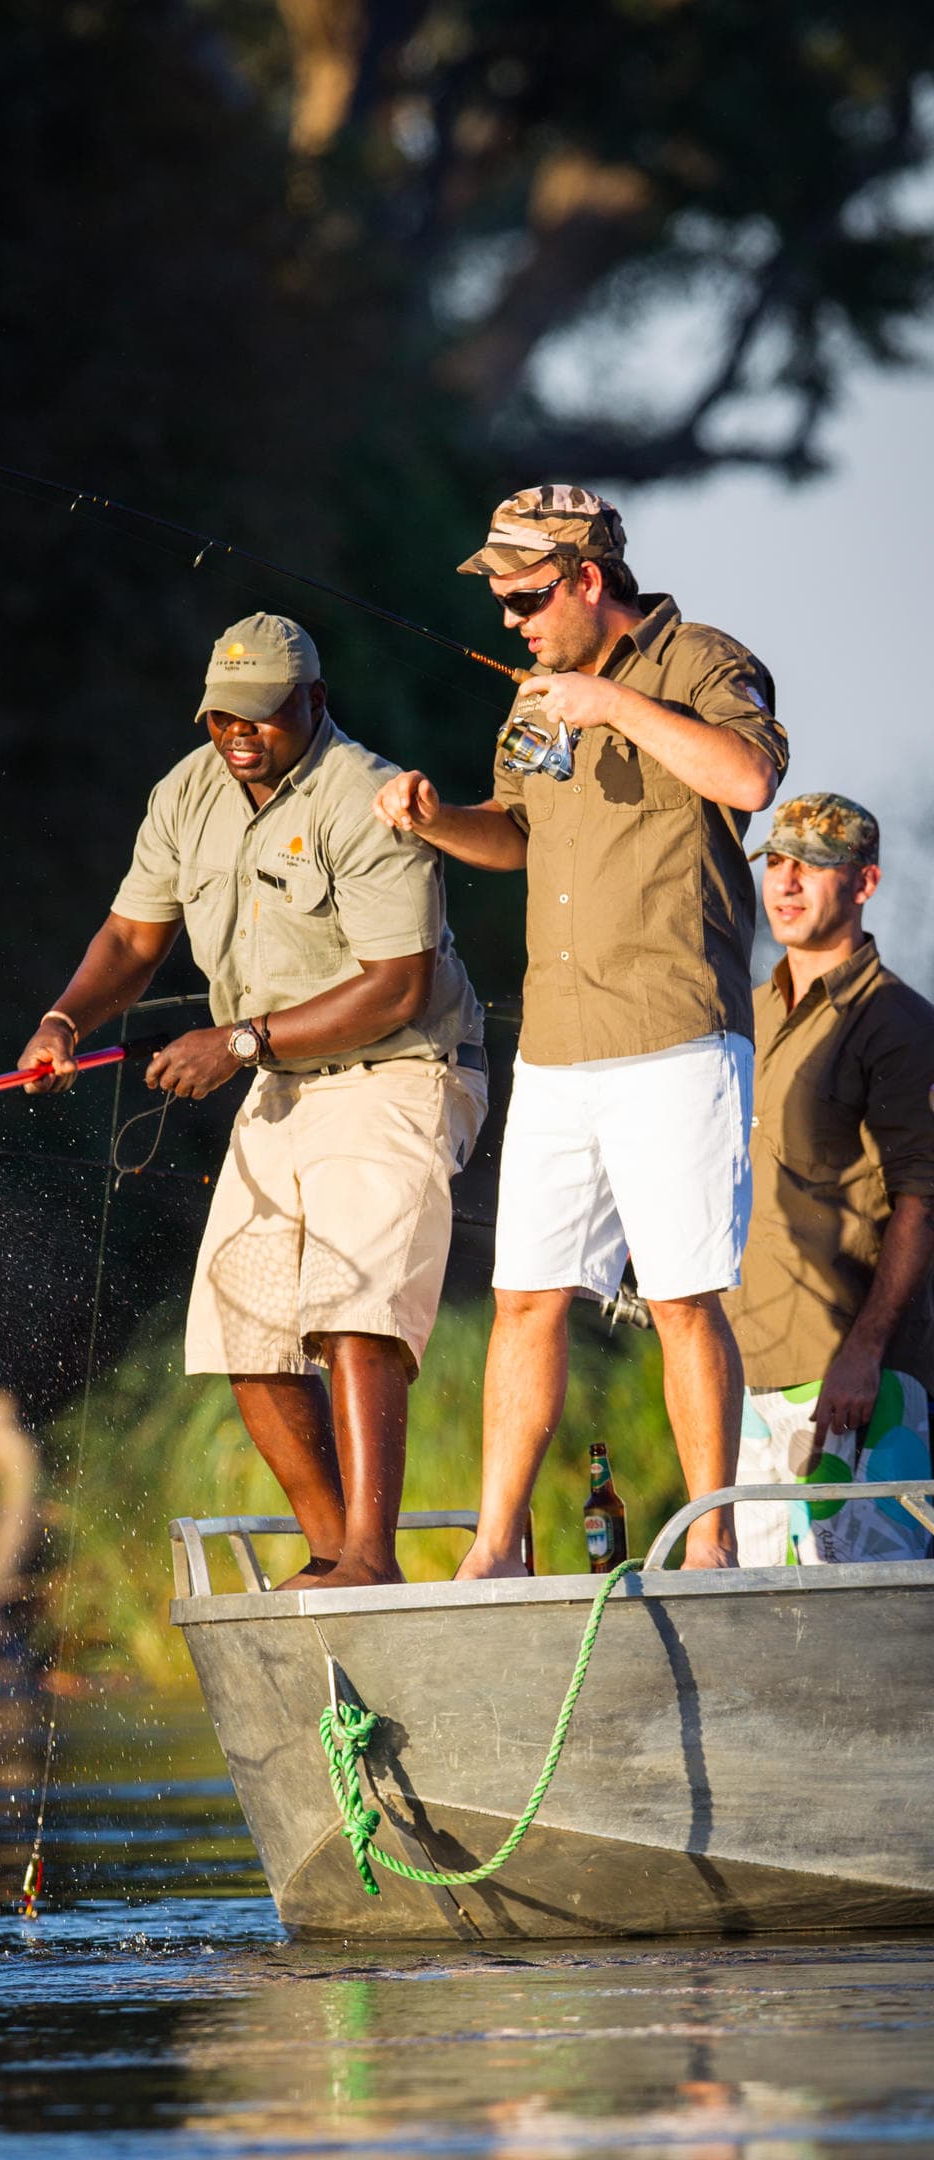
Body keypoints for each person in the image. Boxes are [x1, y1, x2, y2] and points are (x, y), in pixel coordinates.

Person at [19, 611, 486, 1589]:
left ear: (313, 702)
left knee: (355, 1311)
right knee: (246, 1330)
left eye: (262, 717)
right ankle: (329, 1554)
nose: (239, 737)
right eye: (222, 717)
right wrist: (66, 1020)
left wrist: (237, 1042)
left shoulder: (369, 798)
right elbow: (132, 940)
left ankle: (369, 1562)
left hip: (401, 1068)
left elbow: (397, 985)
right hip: (280, 1082)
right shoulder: (186, 793)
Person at [372, 484, 788, 1576]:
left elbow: (747, 776)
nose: (509, 622)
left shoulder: (701, 659)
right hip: (556, 1042)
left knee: (684, 1297)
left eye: (522, 598)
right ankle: (497, 1547)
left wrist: (616, 709)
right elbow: (513, 835)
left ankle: (713, 1546)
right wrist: (434, 823)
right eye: (501, 603)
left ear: (587, 580)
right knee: (524, 1297)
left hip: (676, 1032)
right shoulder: (532, 697)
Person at [723, 793, 934, 1566]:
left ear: (864, 883)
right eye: (776, 863)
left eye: (812, 865)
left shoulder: (900, 1024)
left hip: (855, 1392)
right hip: (742, 1381)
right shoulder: (745, 1014)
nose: (786, 882)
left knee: (864, 1638)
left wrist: (864, 1352)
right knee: (754, 1633)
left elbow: (925, 1200)